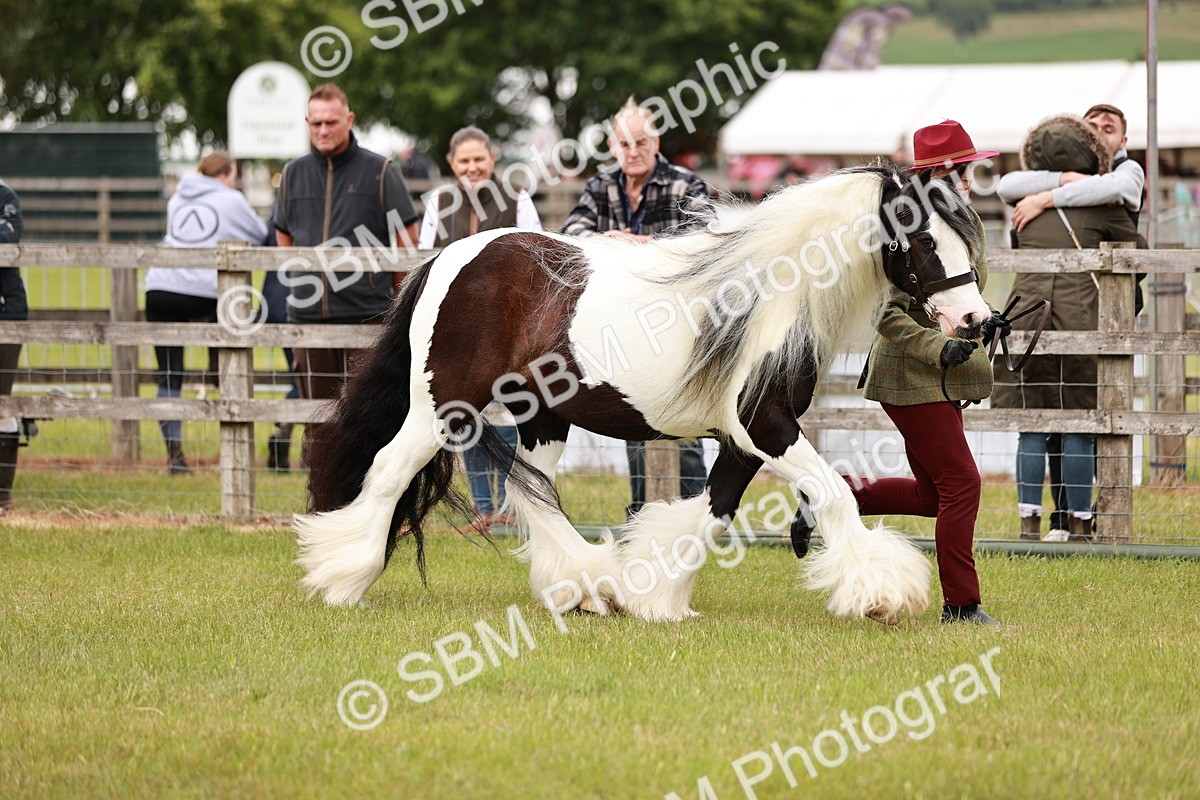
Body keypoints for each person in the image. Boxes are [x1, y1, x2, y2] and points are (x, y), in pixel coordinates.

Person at [850, 120, 1005, 626]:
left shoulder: (965, 220)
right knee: (963, 483)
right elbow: (886, 314)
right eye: (958, 171)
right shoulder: (905, 229)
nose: (968, 179)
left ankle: (831, 495)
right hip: (907, 374)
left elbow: (960, 293)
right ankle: (961, 604)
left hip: (942, 373)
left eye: (969, 169)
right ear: (933, 175)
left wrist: (986, 318)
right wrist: (940, 347)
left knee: (933, 495)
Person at [991, 114, 1145, 543]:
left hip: (1026, 320)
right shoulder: (1104, 205)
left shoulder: (1025, 206)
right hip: (1082, 318)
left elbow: (1018, 247)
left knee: (1031, 423)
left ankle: (1029, 525)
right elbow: (1138, 255)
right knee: (1079, 422)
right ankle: (1079, 525)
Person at [563, 97, 712, 518]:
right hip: (625, 319)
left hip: (678, 319)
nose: (633, 151)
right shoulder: (601, 185)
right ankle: (640, 513)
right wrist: (605, 238)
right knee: (631, 411)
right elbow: (572, 230)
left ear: (655, 143)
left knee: (686, 416)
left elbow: (704, 235)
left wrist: (641, 244)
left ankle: (693, 514)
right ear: (613, 146)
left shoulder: (685, 183)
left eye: (641, 143)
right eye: (624, 144)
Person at [273, 84, 420, 458]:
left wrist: (392, 303)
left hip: (367, 316)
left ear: (349, 120)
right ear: (307, 123)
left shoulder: (381, 171)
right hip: (308, 319)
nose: (323, 130)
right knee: (317, 419)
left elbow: (408, 241)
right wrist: (301, 279)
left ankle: (371, 489)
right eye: (316, 123)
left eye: (331, 122)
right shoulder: (292, 174)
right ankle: (320, 490)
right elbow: (283, 234)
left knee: (370, 417)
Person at [417, 126, 542, 530]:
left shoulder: (517, 199)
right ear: (452, 164)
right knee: (466, 415)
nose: (472, 167)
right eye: (464, 161)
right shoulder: (440, 203)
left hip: (510, 326)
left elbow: (538, 255)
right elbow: (424, 260)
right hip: (460, 327)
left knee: (511, 413)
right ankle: (483, 506)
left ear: (492, 159)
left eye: (479, 159)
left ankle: (510, 503)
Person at [144, 153, 266, 473]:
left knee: (169, 372)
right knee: (230, 350)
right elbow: (260, 236)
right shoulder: (231, 199)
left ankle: (175, 456)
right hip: (205, 291)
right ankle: (219, 377)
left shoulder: (177, 198)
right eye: (234, 177)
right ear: (225, 176)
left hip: (160, 287)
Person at [0, 177, 29, 509]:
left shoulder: (5, 196)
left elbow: (8, 237)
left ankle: (2, 496)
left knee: (2, 403)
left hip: (6, 311)